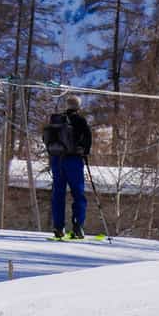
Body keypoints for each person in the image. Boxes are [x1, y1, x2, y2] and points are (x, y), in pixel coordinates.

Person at [43, 94, 92, 239]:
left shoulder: (56, 120)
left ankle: (58, 227)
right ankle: (77, 227)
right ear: (78, 106)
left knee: (58, 194)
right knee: (78, 194)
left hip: (56, 160)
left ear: (67, 105)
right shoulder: (80, 120)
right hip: (73, 161)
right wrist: (84, 152)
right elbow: (87, 140)